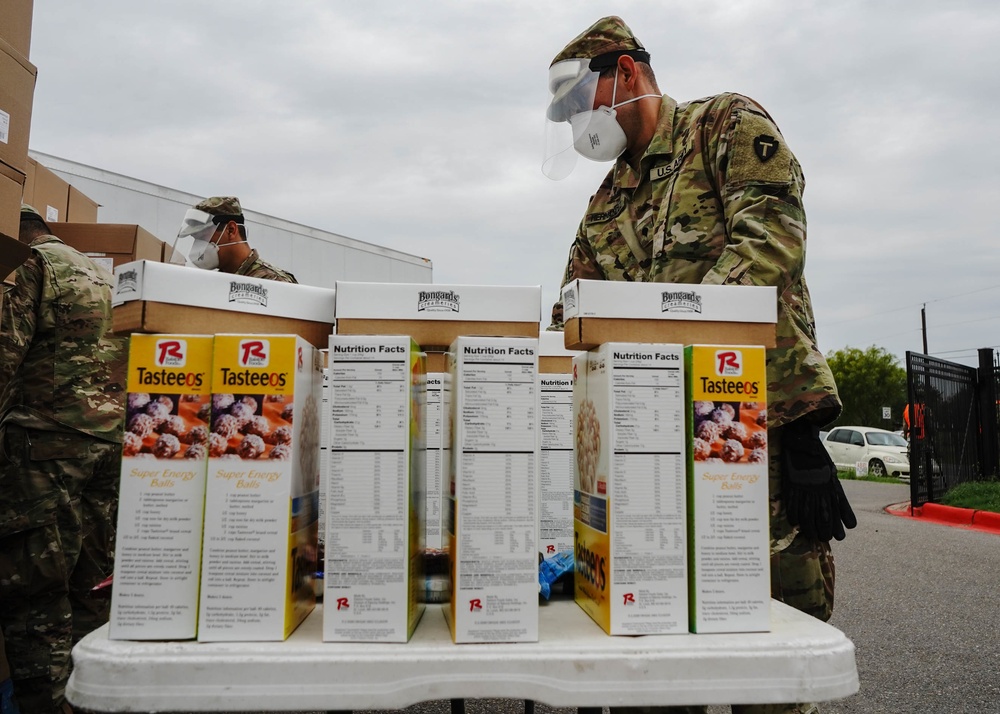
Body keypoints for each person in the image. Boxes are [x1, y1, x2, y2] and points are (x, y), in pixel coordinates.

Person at [543, 17, 856, 714]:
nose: (577, 127)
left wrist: (665, 349)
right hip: (651, 451)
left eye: (579, 106)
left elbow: (772, 247)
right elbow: (574, 318)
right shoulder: (604, 206)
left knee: (774, 648)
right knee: (654, 661)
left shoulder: (725, 127)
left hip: (759, 430)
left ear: (625, 74)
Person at [0, 205, 126, 714]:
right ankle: (90, 700)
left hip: (46, 448)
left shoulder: (28, 265)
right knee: (90, 589)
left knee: (35, 596)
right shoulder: (102, 274)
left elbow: (4, 354)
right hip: (108, 447)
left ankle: (48, 706)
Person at [175, 196, 297, 282]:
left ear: (231, 230)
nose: (198, 246)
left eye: (202, 237)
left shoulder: (273, 282)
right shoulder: (214, 282)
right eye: (195, 239)